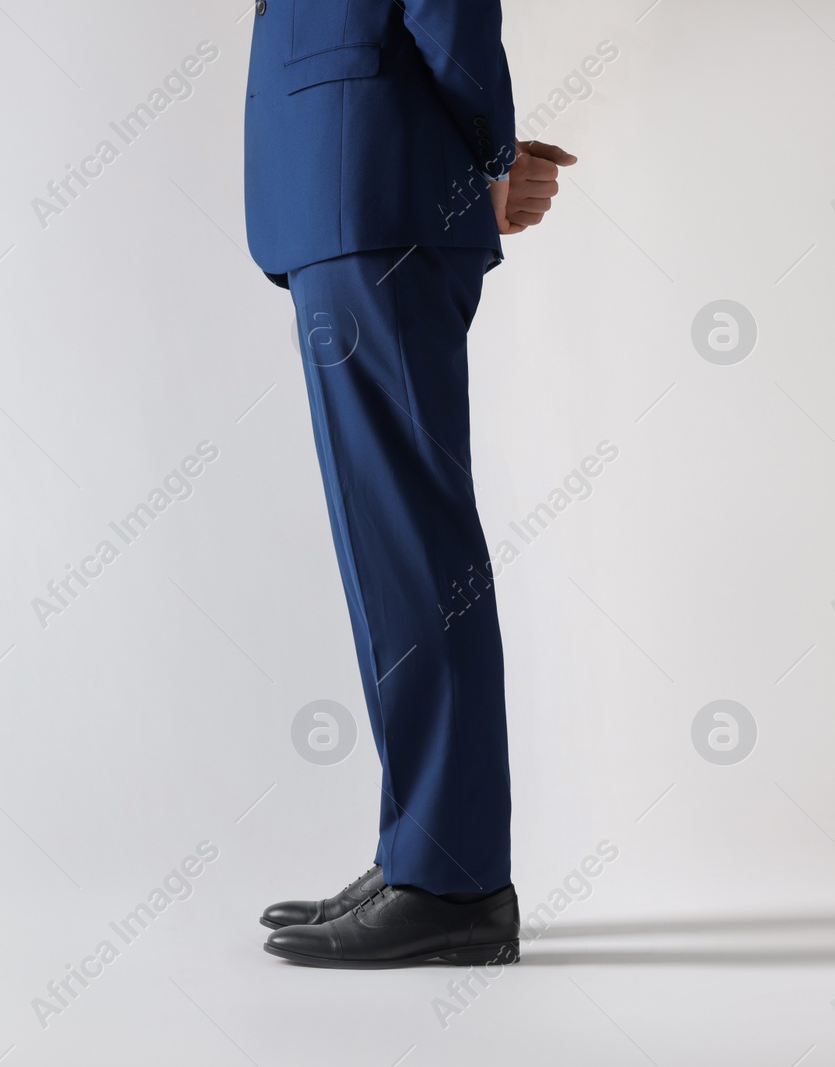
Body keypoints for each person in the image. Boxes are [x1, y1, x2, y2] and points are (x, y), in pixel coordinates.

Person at [244, 0, 575, 967]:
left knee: (411, 545)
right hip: (344, 189)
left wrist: (492, 156)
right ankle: (421, 853)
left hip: (373, 186)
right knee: (389, 552)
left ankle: (453, 881)